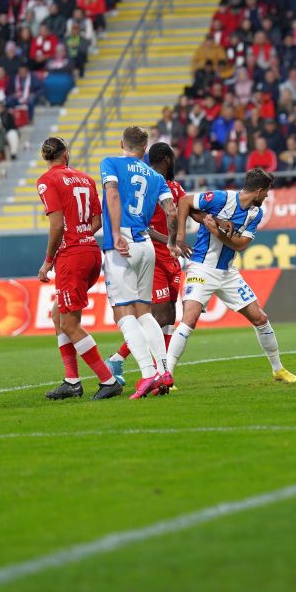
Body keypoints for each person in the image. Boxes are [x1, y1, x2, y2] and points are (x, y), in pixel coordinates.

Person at [164, 168, 296, 384]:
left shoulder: (256, 214)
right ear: (258, 191)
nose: (266, 197)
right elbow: (185, 202)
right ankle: (167, 376)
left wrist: (216, 230)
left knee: (260, 318)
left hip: (227, 272)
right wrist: (180, 237)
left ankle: (278, 370)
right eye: (266, 192)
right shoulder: (221, 198)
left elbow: (241, 245)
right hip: (201, 267)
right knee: (189, 320)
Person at [35, 137, 120, 401]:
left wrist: (48, 261)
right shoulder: (85, 179)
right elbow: (96, 221)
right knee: (59, 314)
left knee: (70, 324)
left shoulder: (46, 180)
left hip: (71, 257)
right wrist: (81, 235)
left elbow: (57, 225)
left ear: (46, 157)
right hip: (91, 252)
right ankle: (72, 381)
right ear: (66, 154)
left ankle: (108, 379)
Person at [99, 126, 180, 400]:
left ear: (122, 142)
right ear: (145, 149)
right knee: (145, 313)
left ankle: (147, 374)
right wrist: (171, 242)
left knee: (123, 314)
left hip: (121, 244)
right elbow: (171, 211)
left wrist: (114, 234)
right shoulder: (156, 177)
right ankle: (164, 370)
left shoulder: (110, 163)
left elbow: (111, 193)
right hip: (147, 245)